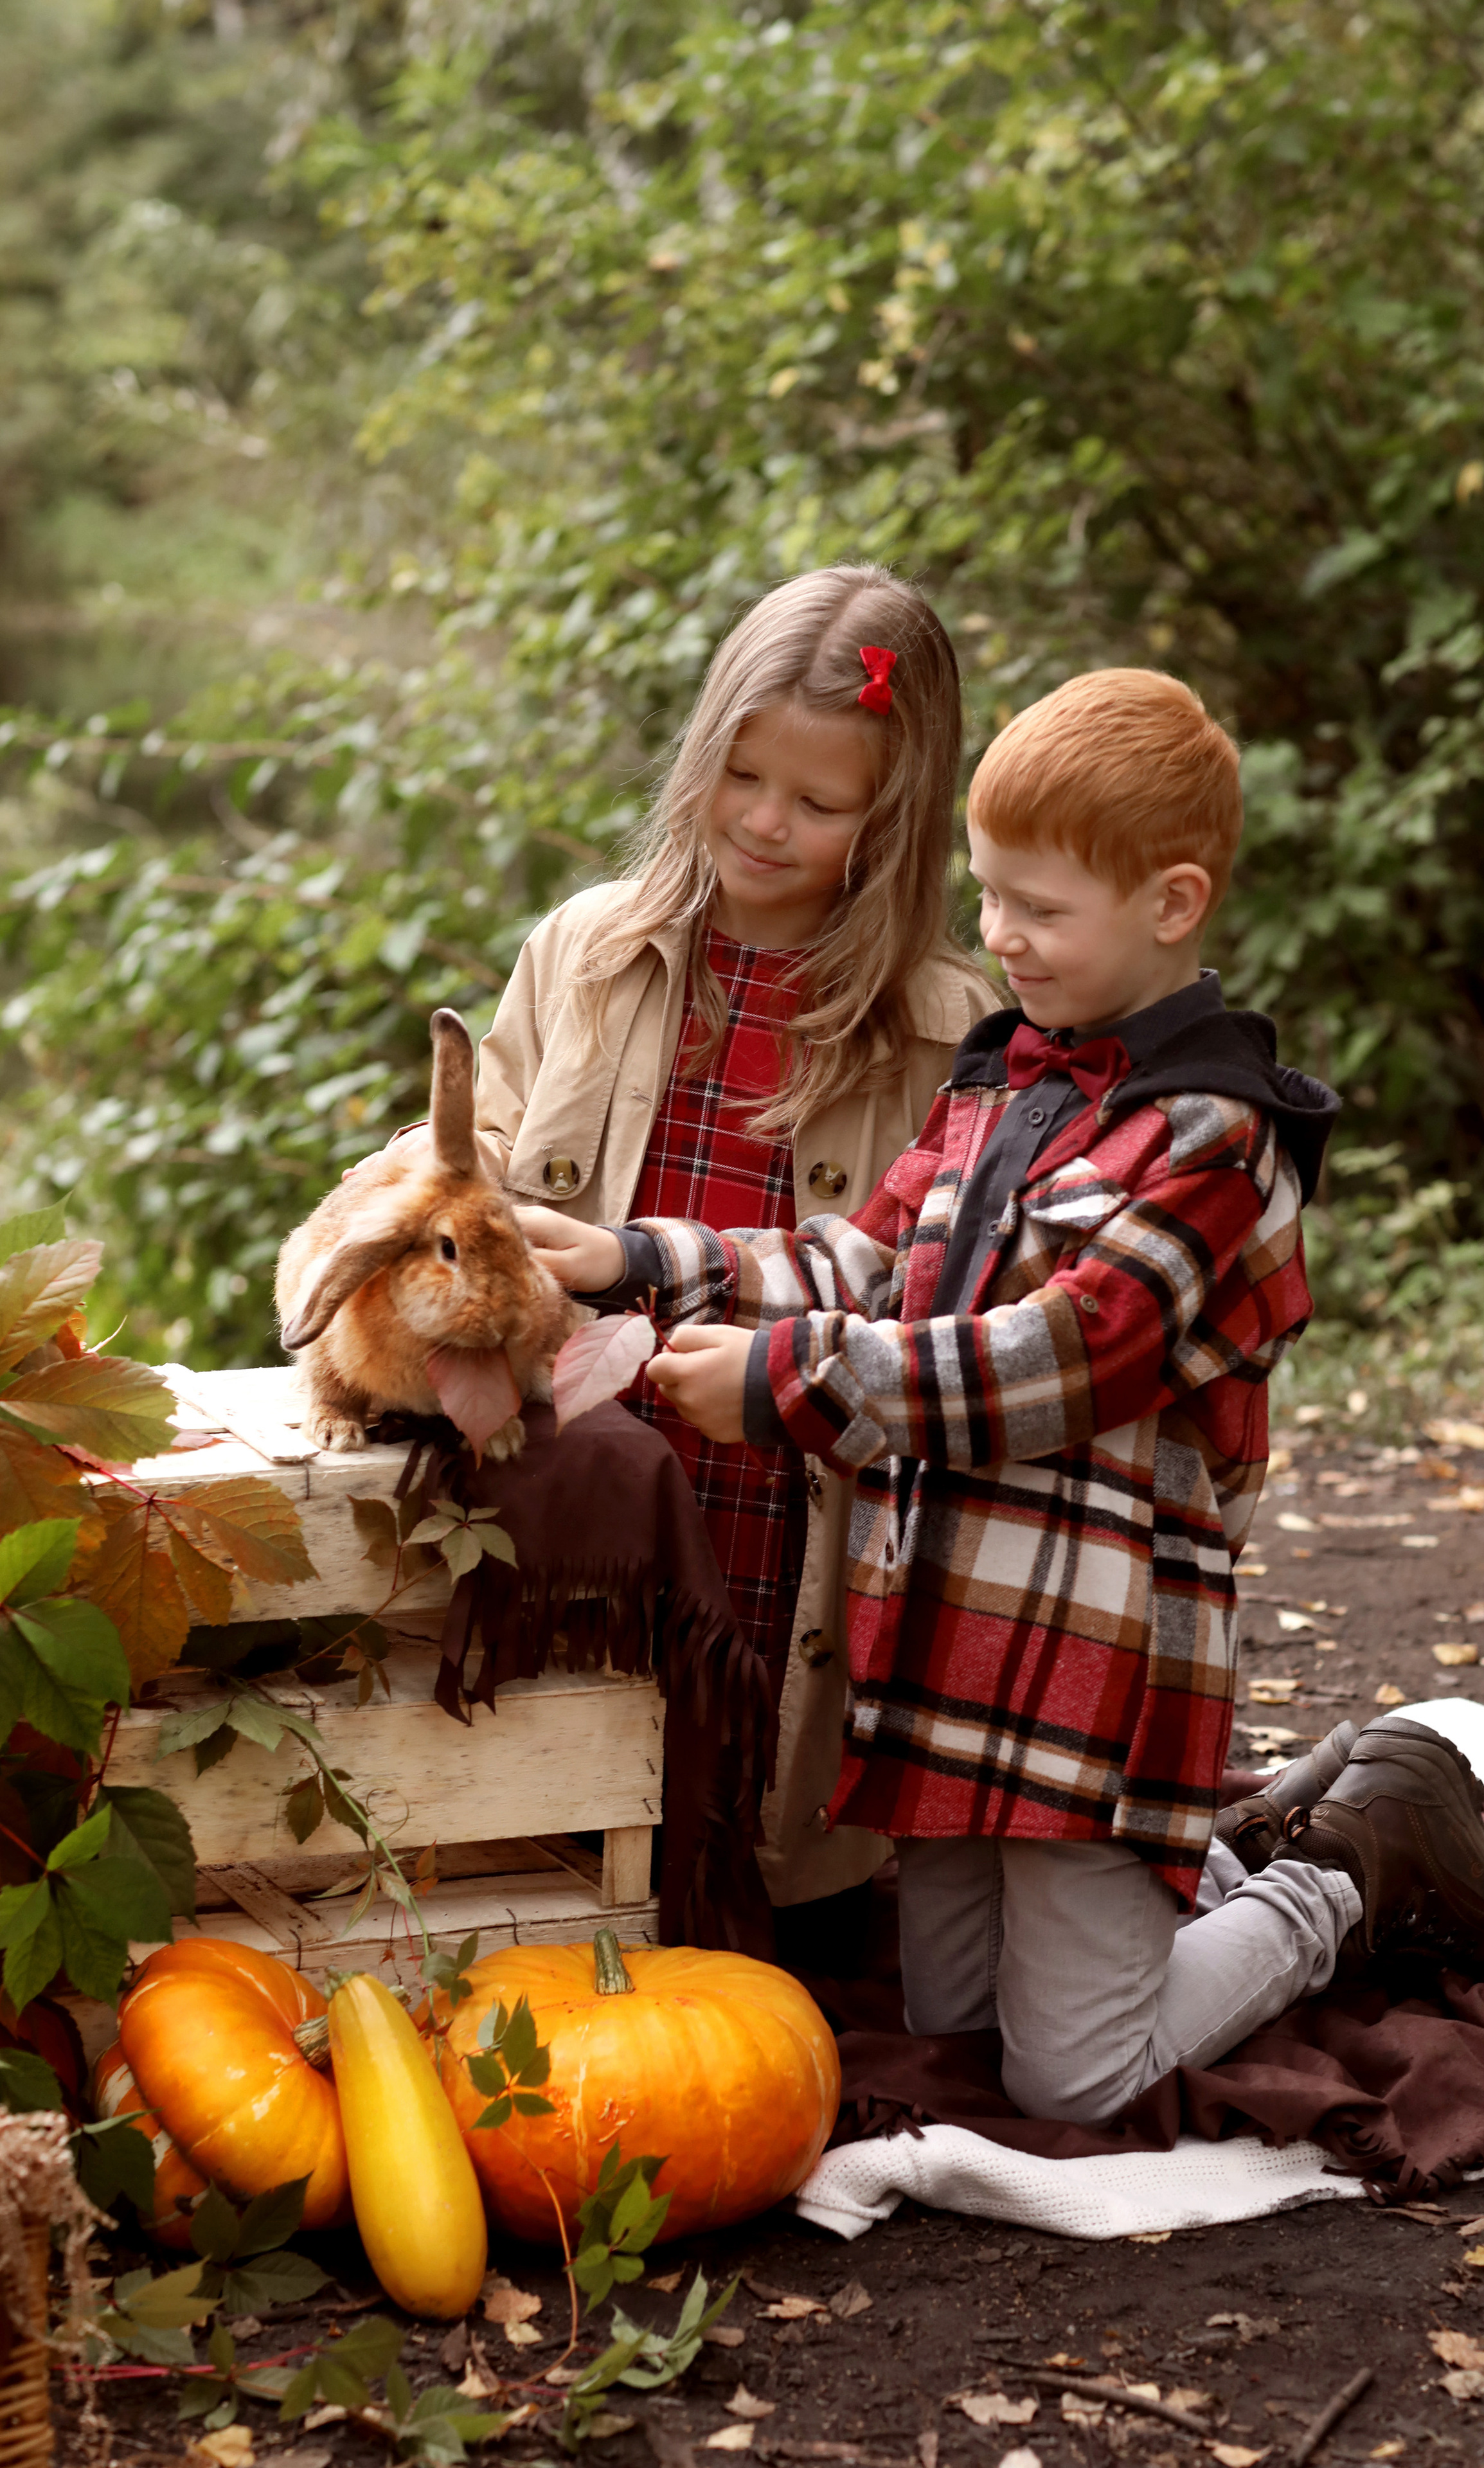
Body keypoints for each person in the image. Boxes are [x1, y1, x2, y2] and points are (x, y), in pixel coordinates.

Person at [530, 666, 1484, 2126]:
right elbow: (860, 1255)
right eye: (985, 894)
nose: (998, 937)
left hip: (1086, 1661)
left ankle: (1348, 1864)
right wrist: (639, 1255)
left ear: (1172, 903)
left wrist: (783, 1383)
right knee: (947, 2018)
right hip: (944, 1649)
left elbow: (1055, 1357)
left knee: (1077, 2074)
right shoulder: (998, 1089)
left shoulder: (1216, 1144)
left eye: (1038, 909)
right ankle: (1228, 1855)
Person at [470, 565, 998, 1922]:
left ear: (892, 817)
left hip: (793, 1515)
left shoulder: (949, 1034)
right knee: (567, 1813)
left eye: (818, 804)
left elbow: (928, 1303)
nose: (764, 824)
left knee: (753, 1850)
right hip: (587, 1503)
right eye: (741, 777)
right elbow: (467, 1168)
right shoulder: (587, 954)